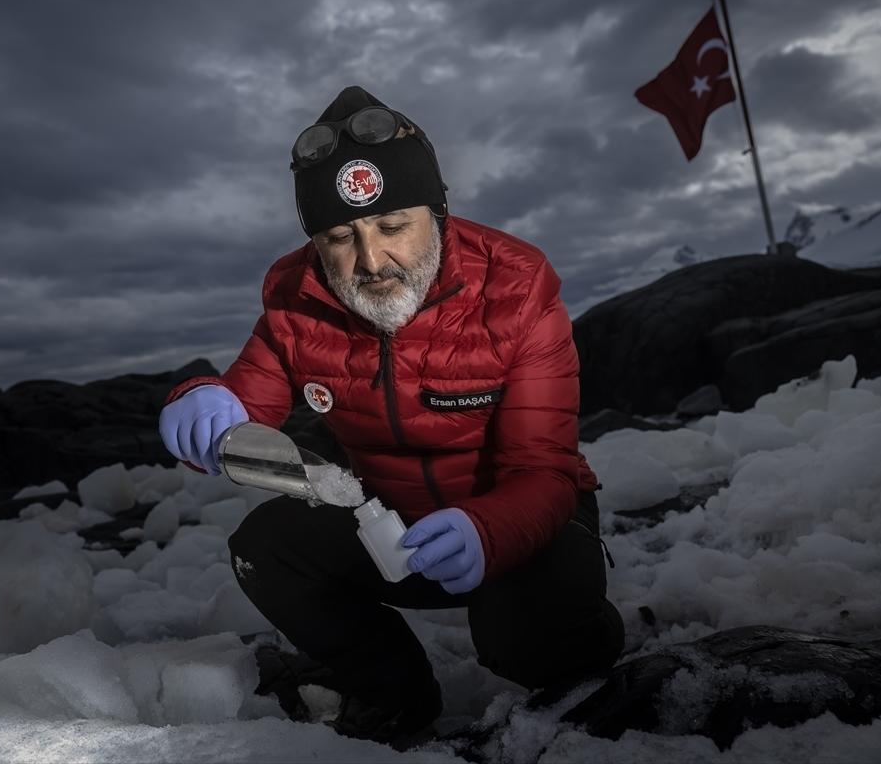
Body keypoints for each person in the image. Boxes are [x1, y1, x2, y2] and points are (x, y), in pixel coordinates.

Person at [159, 85, 624, 746]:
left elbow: (544, 470)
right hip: (391, 525)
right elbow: (249, 392)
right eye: (339, 236)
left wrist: (485, 531)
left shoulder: (517, 285)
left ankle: (594, 629)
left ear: (437, 210)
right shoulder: (296, 294)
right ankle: (393, 693)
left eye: (393, 225)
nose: (372, 260)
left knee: (526, 648)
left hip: (524, 514)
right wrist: (202, 399)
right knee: (266, 550)